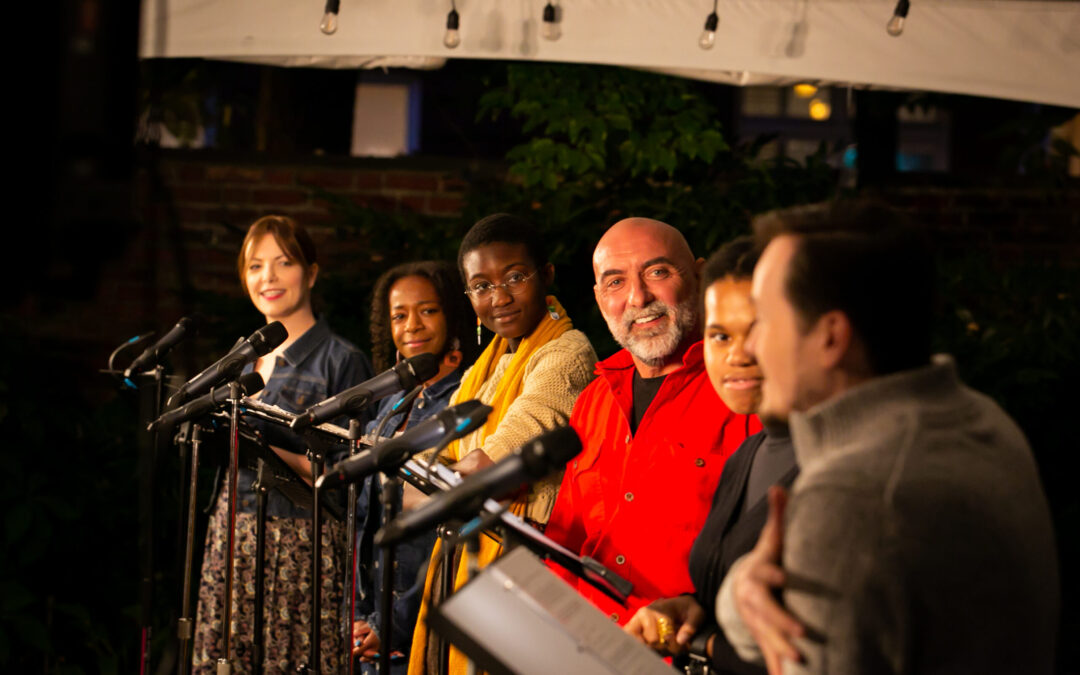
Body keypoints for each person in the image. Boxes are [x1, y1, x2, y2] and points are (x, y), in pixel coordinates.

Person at [716, 201, 1059, 674]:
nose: (752, 346)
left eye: (765, 321)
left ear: (831, 337)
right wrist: (743, 589)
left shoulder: (854, 499)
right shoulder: (982, 420)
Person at [545, 218, 761, 625]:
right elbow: (563, 547)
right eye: (615, 282)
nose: (638, 297)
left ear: (700, 277)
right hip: (584, 638)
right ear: (599, 297)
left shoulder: (744, 394)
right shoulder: (595, 399)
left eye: (658, 272)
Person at [407, 213, 598, 675]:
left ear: (546, 275)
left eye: (514, 277)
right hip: (467, 555)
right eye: (482, 286)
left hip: (522, 567)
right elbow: (428, 456)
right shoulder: (486, 366)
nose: (500, 297)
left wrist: (436, 478)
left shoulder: (568, 354)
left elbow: (499, 455)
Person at [193, 215, 374, 674]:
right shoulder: (241, 359)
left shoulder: (342, 360)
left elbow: (351, 479)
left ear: (310, 273)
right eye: (255, 266)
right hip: (233, 534)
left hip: (301, 544)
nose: (268, 277)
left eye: (283, 262)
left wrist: (264, 448)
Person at [623, 236, 798, 674]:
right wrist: (689, 608)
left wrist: (705, 643)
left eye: (758, 331)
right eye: (719, 336)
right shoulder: (750, 454)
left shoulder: (836, 468)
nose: (737, 355)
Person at [350, 261, 480, 673]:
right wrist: (359, 614)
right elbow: (364, 520)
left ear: (452, 315)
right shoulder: (391, 405)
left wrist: (395, 623)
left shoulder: (465, 400)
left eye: (428, 311)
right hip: (371, 623)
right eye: (399, 316)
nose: (412, 326)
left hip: (424, 624)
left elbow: (448, 532)